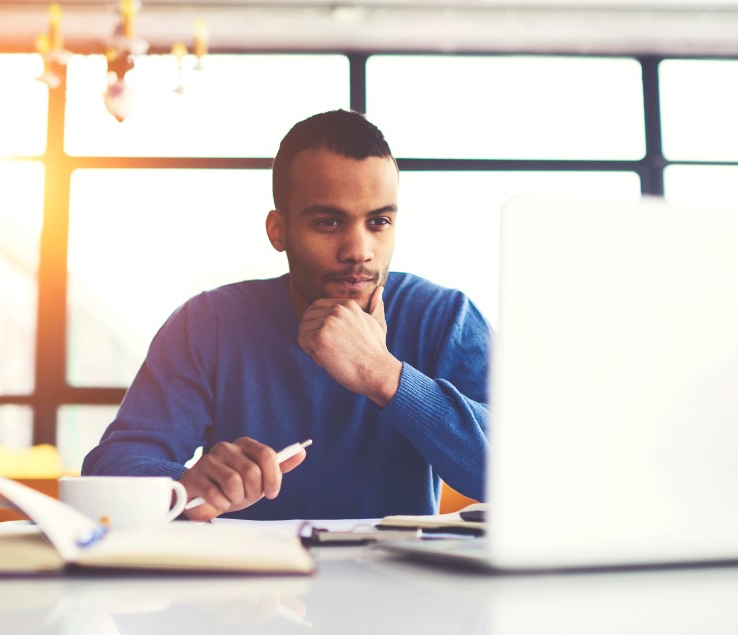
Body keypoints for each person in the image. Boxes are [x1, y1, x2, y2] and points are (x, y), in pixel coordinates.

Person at [82, 109, 491, 521]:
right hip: (244, 580)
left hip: (403, 581)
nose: (359, 250)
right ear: (279, 231)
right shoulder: (207, 324)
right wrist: (180, 489)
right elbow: (114, 464)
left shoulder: (446, 317)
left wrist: (383, 375)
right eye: (329, 222)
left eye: (379, 221)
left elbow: (524, 475)